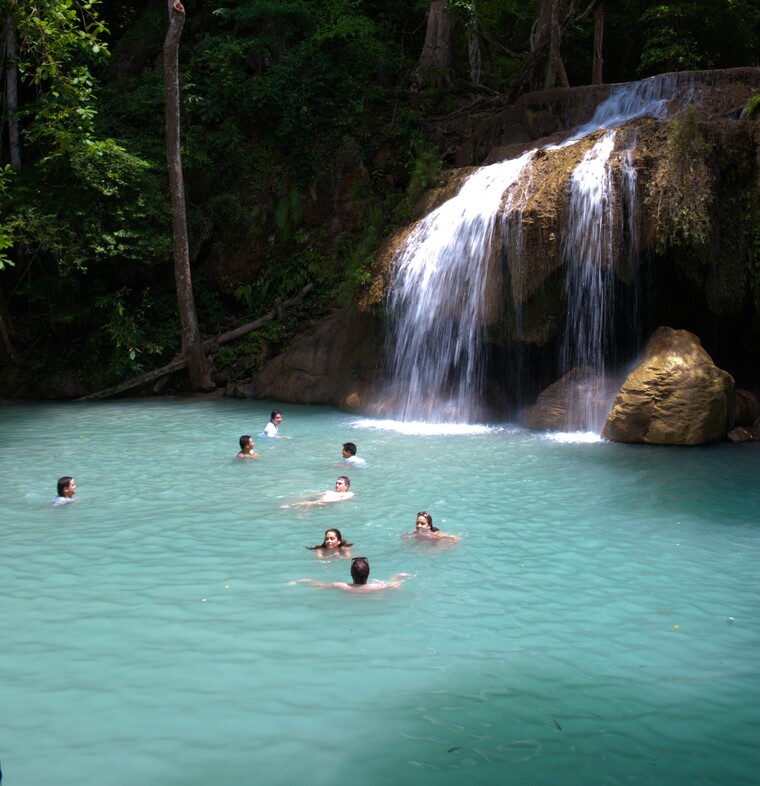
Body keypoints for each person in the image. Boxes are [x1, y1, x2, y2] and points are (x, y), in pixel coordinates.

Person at [291, 557, 410, 593]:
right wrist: (396, 577)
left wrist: (305, 580)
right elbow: (395, 586)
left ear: (351, 573)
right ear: (368, 573)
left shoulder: (340, 585)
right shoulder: (378, 587)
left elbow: (321, 586)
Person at [282, 476, 354, 508]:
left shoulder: (348, 494)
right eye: (336, 483)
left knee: (309, 503)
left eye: (340, 484)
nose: (337, 485)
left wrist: (324, 502)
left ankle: (291, 506)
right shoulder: (329, 491)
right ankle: (292, 506)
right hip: (320, 501)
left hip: (327, 503)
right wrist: (301, 497)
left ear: (346, 486)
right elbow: (315, 494)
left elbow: (341, 499)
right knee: (308, 502)